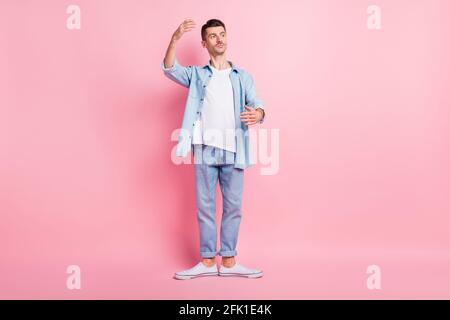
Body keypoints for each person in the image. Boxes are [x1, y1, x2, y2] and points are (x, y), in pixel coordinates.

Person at [162, 19, 266, 280]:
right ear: (204, 43)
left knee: (233, 207)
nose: (219, 39)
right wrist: (174, 39)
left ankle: (229, 262)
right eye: (212, 36)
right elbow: (169, 68)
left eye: (222, 34)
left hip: (234, 150)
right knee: (205, 206)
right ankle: (208, 262)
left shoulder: (242, 77)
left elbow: (259, 105)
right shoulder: (197, 74)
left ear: (226, 38)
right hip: (205, 149)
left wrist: (258, 113)